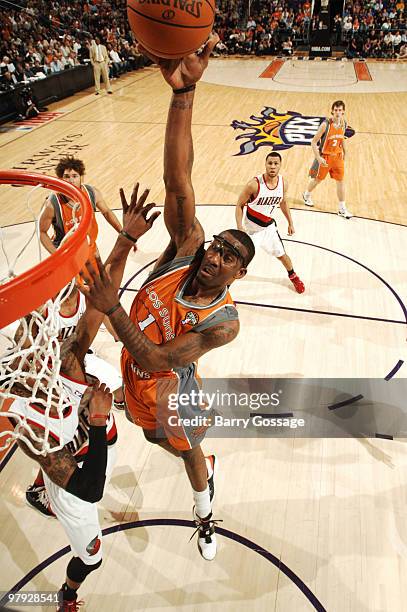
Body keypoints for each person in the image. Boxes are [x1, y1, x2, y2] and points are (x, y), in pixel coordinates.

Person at [80, 33, 255, 562]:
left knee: (185, 450)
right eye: (218, 244)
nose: (216, 253)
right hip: (135, 377)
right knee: (152, 439)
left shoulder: (223, 322)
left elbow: (157, 358)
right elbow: (177, 178)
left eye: (228, 256)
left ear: (239, 275)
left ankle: (205, 509)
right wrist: (184, 95)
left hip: (168, 389)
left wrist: (111, 307)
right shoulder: (187, 246)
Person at [8, 186, 159, 611]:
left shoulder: (70, 355)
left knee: (109, 432)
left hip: (77, 423)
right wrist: (94, 418)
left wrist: (125, 241)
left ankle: (99, 428)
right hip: (73, 480)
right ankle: (67, 595)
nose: (38, 337)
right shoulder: (28, 425)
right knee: (92, 556)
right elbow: (90, 489)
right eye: (30, 335)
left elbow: (100, 295)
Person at [24, 283, 125, 517]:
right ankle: (39, 489)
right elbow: (29, 362)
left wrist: (119, 330)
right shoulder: (42, 310)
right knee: (60, 444)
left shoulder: (86, 297)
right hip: (51, 381)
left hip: (78, 370)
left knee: (102, 426)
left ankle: (113, 409)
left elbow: (114, 328)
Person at [236, 152, 305, 294]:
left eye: (276, 163)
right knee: (239, 262)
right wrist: (239, 227)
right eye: (270, 163)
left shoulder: (283, 183)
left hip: (268, 228)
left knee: (282, 255)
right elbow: (239, 205)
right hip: (251, 231)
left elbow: (283, 202)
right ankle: (223, 289)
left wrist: (290, 222)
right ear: (265, 164)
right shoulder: (254, 185)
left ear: (280, 165)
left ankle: (293, 277)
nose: (272, 166)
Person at [39, 155, 122, 267]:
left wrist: (122, 233)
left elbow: (107, 212)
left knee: (101, 282)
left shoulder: (92, 193)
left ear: (81, 177)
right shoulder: (52, 204)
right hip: (66, 253)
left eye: (75, 176)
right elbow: (42, 232)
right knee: (79, 285)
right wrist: (57, 256)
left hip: (89, 247)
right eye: (66, 176)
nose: (71, 180)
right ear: (60, 179)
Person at [302, 100, 352, 219]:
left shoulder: (344, 123)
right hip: (325, 157)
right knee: (318, 180)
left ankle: (342, 208)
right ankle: (306, 194)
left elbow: (342, 138)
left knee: (340, 181)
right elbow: (313, 142)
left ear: (343, 111)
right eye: (335, 110)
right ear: (332, 111)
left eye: (340, 110)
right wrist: (318, 158)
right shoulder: (325, 125)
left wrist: (346, 151)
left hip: (338, 157)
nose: (337, 112)